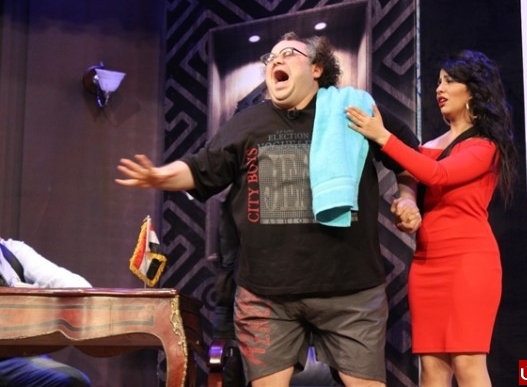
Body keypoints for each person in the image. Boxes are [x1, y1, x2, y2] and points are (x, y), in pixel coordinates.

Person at [115, 31, 421, 387]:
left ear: (317, 68)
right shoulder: (246, 122)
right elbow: (200, 169)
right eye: (271, 57)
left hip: (350, 289)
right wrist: (159, 175)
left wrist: (407, 197)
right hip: (266, 294)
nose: (276, 60)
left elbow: (409, 158)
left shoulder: (353, 109)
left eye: (289, 53)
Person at [346, 50, 518, 387]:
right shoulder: (427, 146)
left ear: (473, 91)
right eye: (438, 82)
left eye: (449, 81)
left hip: (469, 261)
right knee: (432, 368)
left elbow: (438, 174)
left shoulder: (485, 146)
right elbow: (411, 185)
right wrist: (406, 205)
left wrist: (382, 136)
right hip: (426, 263)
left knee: (467, 363)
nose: (439, 89)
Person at [0, 237, 92, 387]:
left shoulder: (12, 250)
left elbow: (74, 284)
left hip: (19, 355)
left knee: (73, 381)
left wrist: (26, 291)